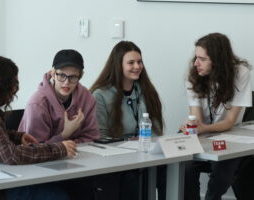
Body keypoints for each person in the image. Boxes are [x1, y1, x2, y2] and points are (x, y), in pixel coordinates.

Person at [0, 55, 77, 200]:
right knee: (57, 196)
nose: (15, 89)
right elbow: (12, 155)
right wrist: (59, 149)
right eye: (12, 84)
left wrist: (16, 136)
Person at [90, 41, 166, 200]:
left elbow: (157, 129)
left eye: (139, 62)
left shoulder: (146, 90)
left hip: (145, 154)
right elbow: (100, 136)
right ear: (118, 65)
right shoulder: (100, 94)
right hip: (116, 158)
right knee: (132, 179)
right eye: (131, 62)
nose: (137, 66)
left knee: (173, 171)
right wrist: (126, 142)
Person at [184, 33, 252, 200]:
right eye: (196, 57)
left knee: (223, 169)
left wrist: (204, 128)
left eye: (202, 59)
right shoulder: (193, 75)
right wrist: (193, 126)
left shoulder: (241, 73)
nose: (196, 63)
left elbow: (230, 121)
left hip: (231, 134)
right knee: (184, 167)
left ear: (218, 61)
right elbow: (196, 119)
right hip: (203, 132)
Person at [18, 49, 99, 144]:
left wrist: (70, 147)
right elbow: (34, 149)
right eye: (61, 75)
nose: (66, 82)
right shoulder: (37, 103)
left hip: (79, 155)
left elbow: (91, 137)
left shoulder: (87, 98)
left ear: (80, 77)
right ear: (53, 74)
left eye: (72, 77)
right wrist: (64, 134)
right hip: (46, 158)